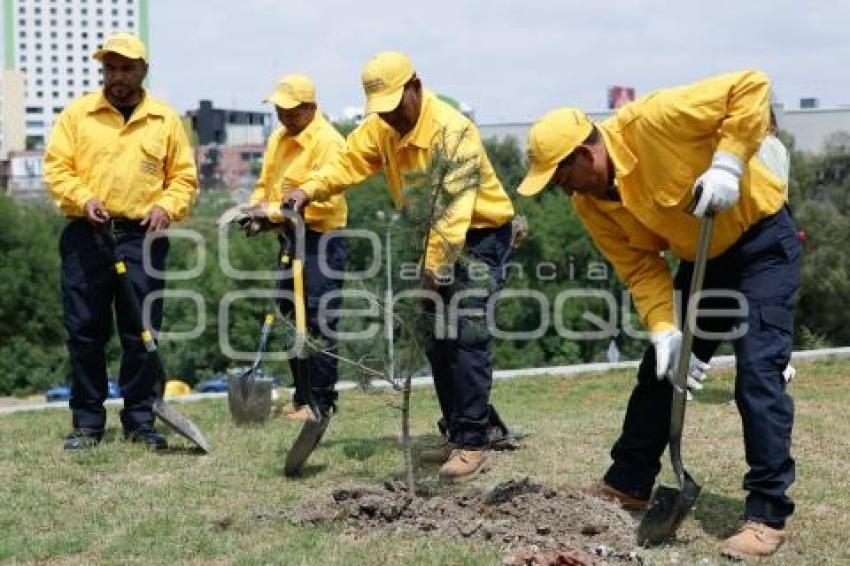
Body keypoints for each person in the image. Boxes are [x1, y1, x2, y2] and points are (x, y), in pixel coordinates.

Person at [517, 71, 800, 560]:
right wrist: (666, 331)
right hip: (703, 263)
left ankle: (766, 515)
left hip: (762, 248)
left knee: (758, 373)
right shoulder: (593, 203)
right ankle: (627, 484)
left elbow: (751, 86)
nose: (565, 191)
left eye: (563, 178)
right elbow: (641, 267)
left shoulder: (653, 120)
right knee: (659, 373)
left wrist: (728, 165)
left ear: (586, 156)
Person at [284, 51, 515, 482]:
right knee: (437, 341)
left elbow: (453, 213)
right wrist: (307, 190)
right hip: (428, 239)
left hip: (477, 238)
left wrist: (433, 273)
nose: (389, 117)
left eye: (395, 106)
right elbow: (346, 163)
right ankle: (462, 430)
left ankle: (473, 443)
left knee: (464, 335)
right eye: (381, 110)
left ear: (415, 86)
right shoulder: (381, 128)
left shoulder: (452, 130)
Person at [43, 33, 198, 451]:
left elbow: (184, 178)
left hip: (142, 237)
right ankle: (88, 422)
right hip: (86, 236)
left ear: (143, 70)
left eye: (126, 68)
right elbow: (57, 169)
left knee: (141, 331)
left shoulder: (165, 120)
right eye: (110, 68)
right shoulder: (77, 115)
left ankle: (140, 420)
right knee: (85, 330)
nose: (117, 76)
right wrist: (84, 198)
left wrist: (167, 206)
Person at [229, 75, 348, 420]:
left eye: (292, 112)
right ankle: (302, 397)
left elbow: (325, 203)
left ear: (311, 108)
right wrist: (256, 212)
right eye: (280, 110)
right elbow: (267, 185)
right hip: (289, 237)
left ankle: (321, 402)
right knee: (287, 317)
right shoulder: (279, 139)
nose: (284, 118)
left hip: (322, 240)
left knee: (317, 320)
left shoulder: (328, 142)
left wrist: (272, 214)